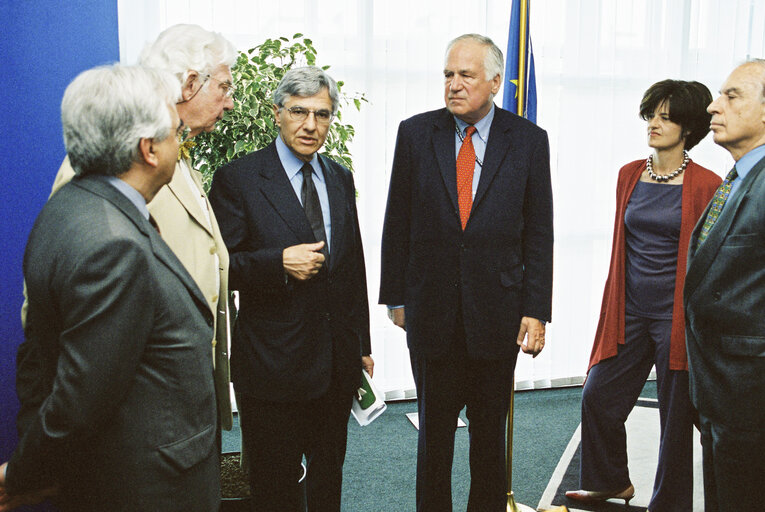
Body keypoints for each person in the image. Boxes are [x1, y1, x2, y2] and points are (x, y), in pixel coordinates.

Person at [0, 65, 219, 512]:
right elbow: (80, 399)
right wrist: (22, 473)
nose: (181, 142)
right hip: (148, 489)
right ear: (149, 149)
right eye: (176, 132)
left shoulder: (69, 207)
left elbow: (37, 358)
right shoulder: (114, 244)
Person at [17, 24, 238, 439]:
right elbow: (48, 299)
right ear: (190, 83)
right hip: (136, 425)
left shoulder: (178, 153)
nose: (229, 103)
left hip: (181, 408)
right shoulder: (110, 160)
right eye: (224, 88)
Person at [379, 33, 553, 511]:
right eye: (448, 75)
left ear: (496, 82)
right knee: (434, 441)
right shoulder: (416, 133)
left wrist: (536, 310)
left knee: (488, 441)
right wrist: (396, 296)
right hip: (430, 313)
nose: (453, 85)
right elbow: (398, 220)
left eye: (466, 76)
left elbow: (539, 232)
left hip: (497, 313)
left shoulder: (529, 141)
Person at [208, 66, 374, 512]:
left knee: (328, 481)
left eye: (321, 115)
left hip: (336, 362)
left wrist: (361, 343)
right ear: (276, 114)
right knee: (275, 487)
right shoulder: (238, 178)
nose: (310, 125)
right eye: (299, 112)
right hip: (272, 365)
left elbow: (352, 265)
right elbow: (220, 268)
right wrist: (277, 263)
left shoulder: (339, 177)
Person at [565, 80, 721, 511]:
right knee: (597, 395)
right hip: (630, 310)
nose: (654, 123)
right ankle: (610, 481)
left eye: (666, 117)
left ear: (688, 127)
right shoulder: (629, 174)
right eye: (651, 114)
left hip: (676, 318)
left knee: (675, 421)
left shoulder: (709, 185)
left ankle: (669, 503)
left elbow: (710, 258)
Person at [684, 59, 765, 512]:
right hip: (719, 390)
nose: (714, 107)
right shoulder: (737, 177)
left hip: (751, 394)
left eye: (732, 96)